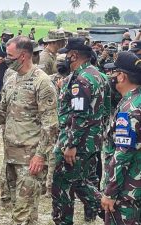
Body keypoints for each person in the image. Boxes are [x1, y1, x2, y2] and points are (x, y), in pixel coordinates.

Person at [0, 36, 58, 225]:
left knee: (21, 215)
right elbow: (2, 114)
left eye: (9, 55)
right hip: (10, 157)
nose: (5, 59)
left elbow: (50, 126)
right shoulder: (11, 79)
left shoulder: (42, 82)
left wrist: (40, 156)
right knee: (24, 212)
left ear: (22, 56)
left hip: (30, 160)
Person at [52, 37, 108, 224]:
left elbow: (80, 114)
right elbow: (105, 109)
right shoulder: (99, 75)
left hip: (78, 142)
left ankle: (108, 208)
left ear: (74, 55)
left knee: (64, 184)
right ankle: (108, 208)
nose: (64, 58)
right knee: (81, 181)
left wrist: (71, 144)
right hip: (93, 140)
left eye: (67, 55)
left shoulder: (81, 80)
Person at [101, 51, 141, 225]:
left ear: (122, 76)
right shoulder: (136, 100)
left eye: (113, 73)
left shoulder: (129, 109)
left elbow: (122, 154)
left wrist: (110, 193)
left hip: (127, 191)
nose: (110, 76)